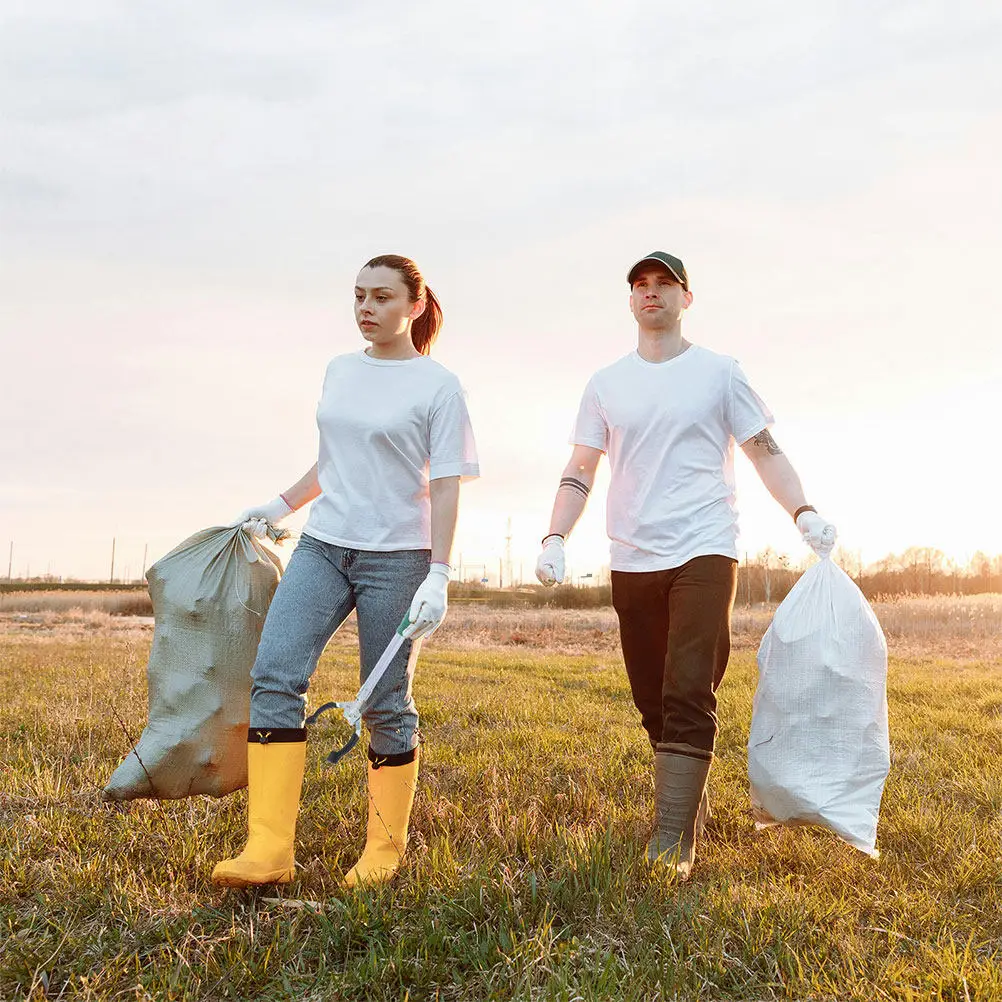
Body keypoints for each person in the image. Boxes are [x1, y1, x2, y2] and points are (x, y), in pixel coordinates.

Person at [535, 251, 835, 880]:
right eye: (640, 285)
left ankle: (673, 837)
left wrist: (802, 511)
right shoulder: (605, 384)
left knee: (689, 684)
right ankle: (683, 801)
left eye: (663, 284)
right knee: (651, 694)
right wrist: (555, 535)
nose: (651, 294)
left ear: (685, 298)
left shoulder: (720, 373)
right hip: (632, 553)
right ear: (631, 301)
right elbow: (582, 466)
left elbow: (764, 451)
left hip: (705, 544)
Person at [212, 254, 479, 889]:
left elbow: (445, 489)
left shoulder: (439, 386)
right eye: (358, 296)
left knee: (386, 700)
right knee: (275, 674)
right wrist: (278, 505)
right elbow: (331, 463)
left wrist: (439, 573)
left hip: (400, 560)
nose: (366, 308)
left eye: (382, 297)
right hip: (324, 547)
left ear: (414, 305)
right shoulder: (339, 371)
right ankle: (268, 849)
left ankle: (384, 850)